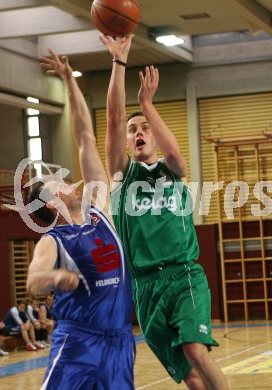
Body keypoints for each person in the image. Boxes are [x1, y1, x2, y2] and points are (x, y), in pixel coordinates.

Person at [100, 34, 228, 390]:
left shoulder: (173, 170)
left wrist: (146, 104)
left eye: (145, 128)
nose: (138, 132)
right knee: (187, 375)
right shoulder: (122, 177)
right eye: (133, 130)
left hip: (183, 274)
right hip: (144, 287)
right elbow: (112, 117)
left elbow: (175, 153)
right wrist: (118, 61)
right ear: (127, 143)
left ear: (154, 136)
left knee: (196, 352)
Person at [26, 49, 135, 390]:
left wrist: (70, 81)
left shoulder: (100, 211)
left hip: (120, 341)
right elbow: (33, 283)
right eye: (55, 181)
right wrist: (55, 274)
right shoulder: (54, 240)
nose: (66, 178)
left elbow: (85, 137)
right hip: (78, 342)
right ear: (52, 200)